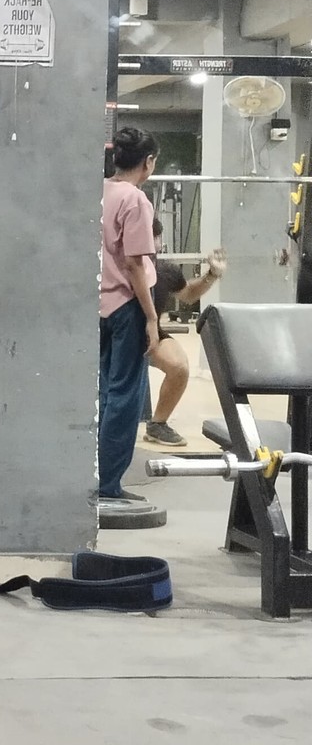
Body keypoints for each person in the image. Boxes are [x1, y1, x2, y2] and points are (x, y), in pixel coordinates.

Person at [96, 125, 159, 517]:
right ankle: (108, 485)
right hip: (127, 306)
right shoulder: (135, 199)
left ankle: (97, 477)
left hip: (99, 305)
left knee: (105, 392)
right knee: (125, 396)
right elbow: (135, 263)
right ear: (148, 162)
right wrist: (151, 318)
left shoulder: (99, 192)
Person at [143, 217, 226, 448]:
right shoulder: (119, 269)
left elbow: (188, 294)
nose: (155, 244)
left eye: (157, 237)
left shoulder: (165, 271)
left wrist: (212, 274)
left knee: (178, 367)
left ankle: (157, 425)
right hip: (119, 333)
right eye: (151, 237)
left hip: (151, 335)